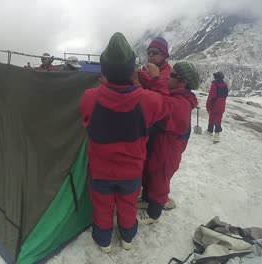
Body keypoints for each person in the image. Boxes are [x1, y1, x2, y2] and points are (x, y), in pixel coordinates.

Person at [80, 32, 169, 253]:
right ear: (131, 70)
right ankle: (127, 238)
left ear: (105, 71)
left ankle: (104, 242)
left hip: (100, 173)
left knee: (102, 208)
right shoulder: (147, 100)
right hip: (131, 174)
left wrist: (106, 87)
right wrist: (153, 81)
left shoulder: (90, 97)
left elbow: (87, 117)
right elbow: (165, 106)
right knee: (128, 207)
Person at [137, 62, 199, 225]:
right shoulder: (176, 95)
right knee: (150, 173)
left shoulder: (181, 103)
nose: (167, 78)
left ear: (183, 82)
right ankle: (147, 199)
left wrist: (155, 78)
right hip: (160, 146)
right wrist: (141, 75)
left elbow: (161, 104)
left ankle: (153, 213)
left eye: (172, 76)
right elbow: (159, 89)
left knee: (160, 180)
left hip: (168, 151)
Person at [206, 71, 228, 143]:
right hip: (221, 105)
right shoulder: (225, 85)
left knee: (212, 117)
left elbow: (211, 97)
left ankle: (211, 132)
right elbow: (225, 95)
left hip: (214, 105)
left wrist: (208, 106)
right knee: (218, 119)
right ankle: (215, 134)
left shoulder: (214, 85)